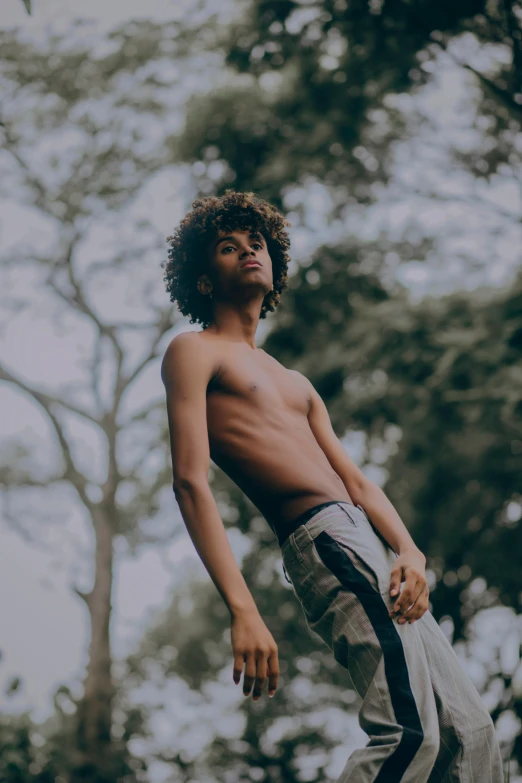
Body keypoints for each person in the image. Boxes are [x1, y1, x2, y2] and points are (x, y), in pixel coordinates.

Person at [160, 189, 504, 782]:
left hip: (370, 540)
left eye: (256, 242)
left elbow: (357, 480)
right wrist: (242, 608)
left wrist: (410, 549)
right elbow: (191, 483)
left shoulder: (294, 381)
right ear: (202, 282)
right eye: (227, 246)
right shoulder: (193, 352)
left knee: (470, 736)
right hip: (324, 541)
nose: (247, 251)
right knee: (409, 732)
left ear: (275, 265)